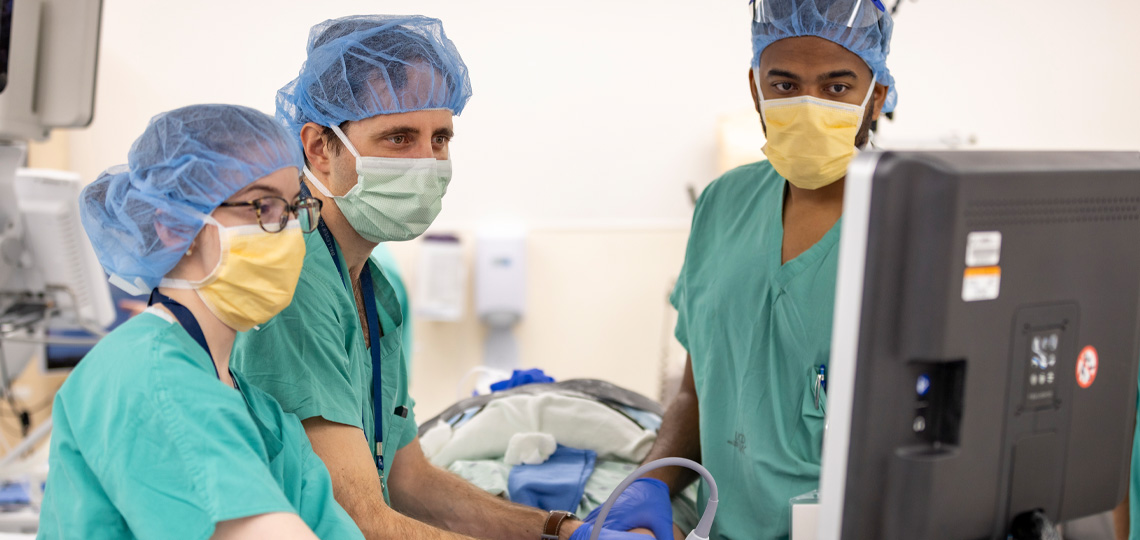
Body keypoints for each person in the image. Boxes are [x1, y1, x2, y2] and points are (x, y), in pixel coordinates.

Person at [231, 15, 672, 540]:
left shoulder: (374, 290)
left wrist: (565, 529)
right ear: (320, 149)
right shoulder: (296, 281)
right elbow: (361, 522)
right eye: (398, 138)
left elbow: (411, 482)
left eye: (440, 138)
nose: (427, 162)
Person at [38, 104, 364, 540]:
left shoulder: (259, 412)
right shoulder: (147, 376)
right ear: (175, 225)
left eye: (293, 207)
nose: (286, 231)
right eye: (264, 206)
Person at [638, 1, 895, 539]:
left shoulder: (911, 221)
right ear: (756, 90)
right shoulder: (723, 204)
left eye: (836, 87)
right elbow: (697, 392)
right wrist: (649, 488)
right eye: (784, 86)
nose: (808, 105)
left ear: (878, 98)